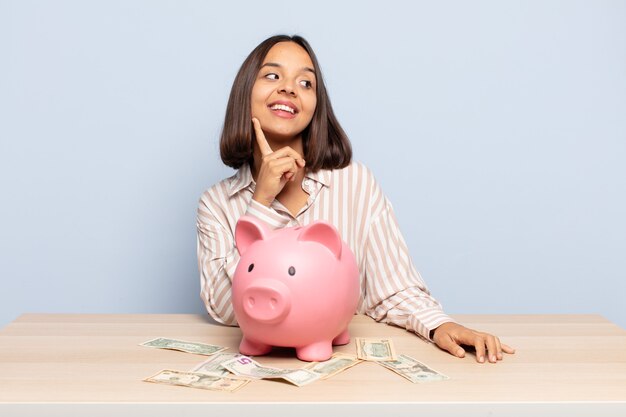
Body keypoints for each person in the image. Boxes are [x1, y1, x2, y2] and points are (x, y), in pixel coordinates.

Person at [197, 34, 515, 364]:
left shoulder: (354, 182)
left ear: (316, 106)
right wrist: (260, 203)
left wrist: (439, 325)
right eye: (272, 76)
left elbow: (393, 287)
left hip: (345, 367)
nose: (289, 88)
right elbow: (225, 310)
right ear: (244, 93)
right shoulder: (217, 204)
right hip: (258, 376)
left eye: (306, 82)